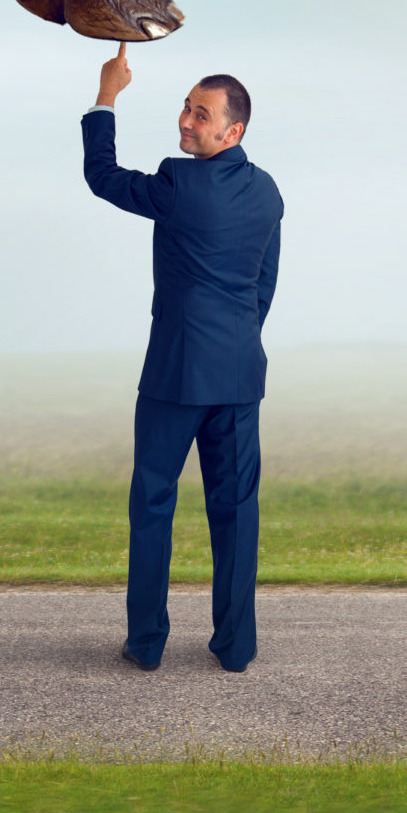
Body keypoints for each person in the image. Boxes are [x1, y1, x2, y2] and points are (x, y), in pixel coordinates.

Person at [83, 45, 284, 674]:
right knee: (235, 512)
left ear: (234, 130)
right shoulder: (267, 192)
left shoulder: (178, 182)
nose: (185, 121)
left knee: (152, 504)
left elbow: (104, 178)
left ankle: (145, 644)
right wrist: (235, 341)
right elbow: (263, 287)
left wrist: (106, 97)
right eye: (186, 108)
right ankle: (235, 646)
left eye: (201, 115)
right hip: (239, 375)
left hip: (175, 375)